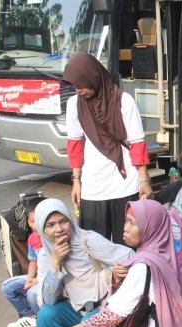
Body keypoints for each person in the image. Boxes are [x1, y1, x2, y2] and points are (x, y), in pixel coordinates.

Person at [65, 200, 182, 327]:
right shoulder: (162, 255)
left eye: (132, 223)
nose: (125, 227)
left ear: (150, 228)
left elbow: (114, 314)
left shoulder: (143, 266)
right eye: (126, 220)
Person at [64, 52, 152, 244]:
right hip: (93, 186)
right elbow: (75, 144)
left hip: (126, 182)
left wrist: (144, 179)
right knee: (94, 246)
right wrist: (76, 180)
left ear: (93, 77)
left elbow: (137, 143)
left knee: (128, 244)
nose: (77, 89)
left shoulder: (124, 101)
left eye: (81, 84)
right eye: (74, 85)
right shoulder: (74, 105)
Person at [34, 199, 135, 327]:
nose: (59, 229)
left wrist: (114, 271)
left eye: (63, 221)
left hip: (103, 307)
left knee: (85, 326)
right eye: (50, 225)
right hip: (75, 308)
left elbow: (129, 256)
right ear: (41, 230)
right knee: (45, 316)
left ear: (71, 220)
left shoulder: (87, 240)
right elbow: (47, 300)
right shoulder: (45, 256)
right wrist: (55, 264)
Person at [2, 196, 47, 327]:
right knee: (8, 287)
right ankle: (32, 316)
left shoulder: (57, 237)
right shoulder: (33, 239)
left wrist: (38, 281)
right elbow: (33, 261)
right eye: (32, 221)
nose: (36, 225)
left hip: (53, 281)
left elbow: (61, 271)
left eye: (39, 219)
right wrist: (29, 278)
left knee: (32, 293)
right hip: (38, 277)